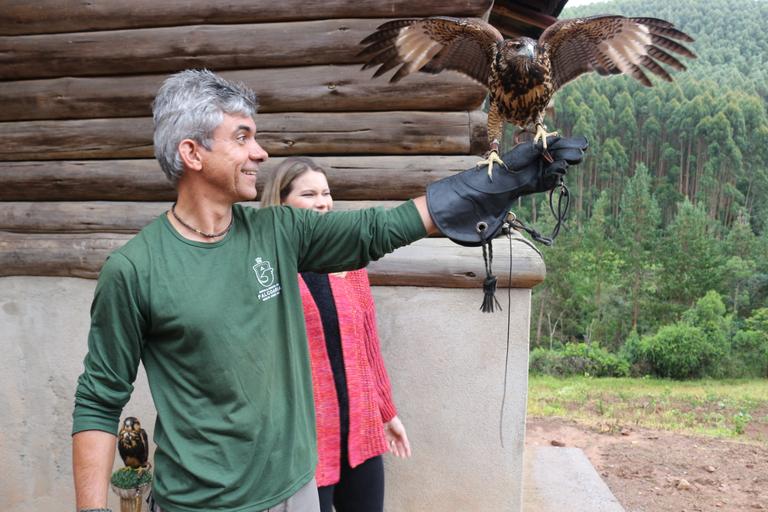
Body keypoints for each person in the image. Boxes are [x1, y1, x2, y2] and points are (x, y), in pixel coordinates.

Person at [71, 68, 587, 512]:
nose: (260, 152)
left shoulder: (277, 233)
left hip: (297, 491)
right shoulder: (134, 270)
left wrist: (492, 185)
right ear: (192, 153)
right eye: (242, 137)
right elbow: (99, 402)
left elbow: (377, 230)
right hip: (199, 503)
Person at [261, 158, 411, 512]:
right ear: (280, 205)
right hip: (304, 444)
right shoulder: (269, 270)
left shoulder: (351, 263)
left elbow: (369, 348)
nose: (323, 202)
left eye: (326, 193)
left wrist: (388, 414)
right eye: (309, 194)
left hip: (362, 432)